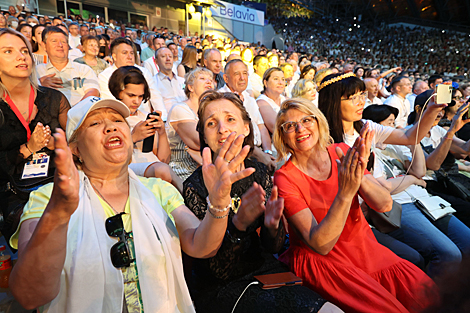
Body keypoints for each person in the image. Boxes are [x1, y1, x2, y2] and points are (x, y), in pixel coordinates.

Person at [9, 93, 256, 312]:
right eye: (95, 123)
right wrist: (58, 214)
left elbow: (202, 246)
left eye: (118, 121)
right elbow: (30, 295)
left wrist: (218, 202)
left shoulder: (158, 190)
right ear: (75, 149)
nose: (110, 127)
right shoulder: (46, 199)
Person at [273, 98, 438, 313]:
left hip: (364, 248)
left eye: (306, 120)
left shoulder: (341, 150)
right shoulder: (284, 177)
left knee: (432, 299)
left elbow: (385, 204)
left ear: (318, 122)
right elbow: (320, 244)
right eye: (289, 126)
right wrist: (346, 192)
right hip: (325, 262)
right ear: (282, 137)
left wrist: (360, 177)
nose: (300, 129)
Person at [183, 91, 340, 313]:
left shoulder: (257, 173)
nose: (222, 129)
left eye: (230, 119)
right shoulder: (194, 186)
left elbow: (273, 247)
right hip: (222, 287)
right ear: (204, 135)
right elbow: (216, 269)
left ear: (246, 127)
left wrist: (272, 224)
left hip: (265, 272)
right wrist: (238, 224)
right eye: (211, 123)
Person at [363, 104, 470, 277]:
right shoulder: (368, 150)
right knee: (449, 253)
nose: (395, 127)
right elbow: (387, 186)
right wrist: (412, 179)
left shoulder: (396, 146)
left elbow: (420, 170)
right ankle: (434, 299)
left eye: (394, 122)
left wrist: (413, 142)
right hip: (400, 204)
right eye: (389, 123)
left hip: (424, 199)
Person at [0, 28, 70, 242]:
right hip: (14, 193)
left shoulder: (54, 98)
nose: (21, 56)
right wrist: (29, 148)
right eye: (8, 51)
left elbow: (76, 144)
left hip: (57, 181)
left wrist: (54, 143)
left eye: (24, 51)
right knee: (39, 229)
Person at [108, 66, 182, 191]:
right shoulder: (108, 117)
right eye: (131, 95)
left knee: (164, 171)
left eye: (140, 96)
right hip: (126, 171)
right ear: (118, 92)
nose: (136, 101)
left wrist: (162, 133)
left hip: (156, 170)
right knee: (163, 171)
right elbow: (107, 157)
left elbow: (164, 160)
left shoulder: (144, 116)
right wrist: (133, 138)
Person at [219, 59, 275, 171]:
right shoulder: (220, 99)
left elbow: (262, 128)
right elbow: (235, 137)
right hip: (241, 155)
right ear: (226, 78)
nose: (242, 78)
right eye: (236, 74)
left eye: (244, 73)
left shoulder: (249, 99)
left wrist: (267, 152)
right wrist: (262, 156)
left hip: (260, 151)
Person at [98, 38, 166, 119]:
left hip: (144, 118)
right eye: (125, 53)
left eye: (131, 53)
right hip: (120, 119)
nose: (130, 57)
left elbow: (156, 97)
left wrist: (163, 119)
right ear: (114, 57)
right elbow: (110, 103)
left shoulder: (144, 72)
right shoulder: (105, 76)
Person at [166, 67, 213, 181]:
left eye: (211, 80)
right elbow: (198, 142)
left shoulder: (211, 111)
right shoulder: (180, 109)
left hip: (206, 167)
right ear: (190, 87)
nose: (208, 81)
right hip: (182, 170)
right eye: (202, 78)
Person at [37, 26, 100, 107]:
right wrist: (40, 86)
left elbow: (93, 92)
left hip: (80, 113)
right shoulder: (38, 71)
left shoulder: (83, 69)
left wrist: (73, 112)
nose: (60, 45)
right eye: (54, 41)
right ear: (44, 45)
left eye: (63, 42)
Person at [153, 47, 186, 113]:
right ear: (156, 61)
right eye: (163, 56)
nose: (168, 59)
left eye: (170, 56)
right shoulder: (153, 83)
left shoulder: (183, 81)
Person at [256, 67, 286, 133]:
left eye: (283, 79)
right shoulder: (261, 102)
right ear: (265, 83)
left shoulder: (284, 99)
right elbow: (276, 127)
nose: (280, 82)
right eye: (276, 79)